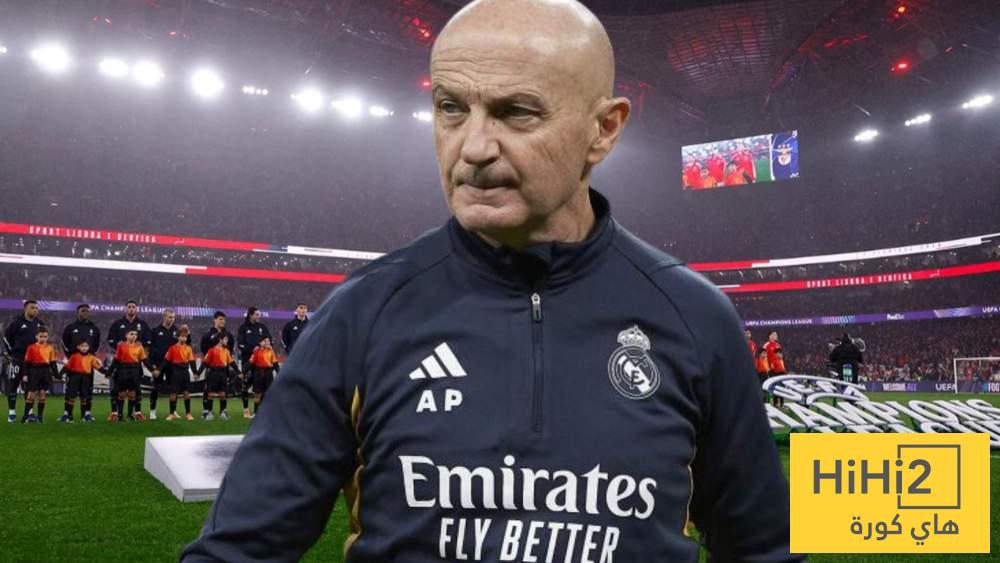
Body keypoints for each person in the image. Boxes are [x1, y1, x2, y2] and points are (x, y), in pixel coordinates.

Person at [184, 1, 797, 561]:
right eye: (451, 108)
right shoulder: (362, 313)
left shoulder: (696, 318)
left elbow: (763, 550)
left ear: (604, 129)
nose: (473, 147)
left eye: (516, 112)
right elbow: (235, 553)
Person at [106, 300, 152, 420]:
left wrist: (143, 346)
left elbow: (148, 339)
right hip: (120, 363)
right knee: (118, 390)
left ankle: (135, 413)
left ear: (136, 309)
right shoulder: (117, 323)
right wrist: (118, 345)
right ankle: (116, 413)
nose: (131, 309)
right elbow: (110, 339)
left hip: (135, 363)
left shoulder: (142, 324)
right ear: (125, 309)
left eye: (133, 307)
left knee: (135, 390)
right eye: (129, 307)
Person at [3, 300, 42, 423]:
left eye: (36, 308)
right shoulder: (16, 323)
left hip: (32, 363)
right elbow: (6, 339)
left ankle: (29, 413)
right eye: (32, 307)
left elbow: (43, 341)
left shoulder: (39, 324)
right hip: (18, 360)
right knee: (13, 385)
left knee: (30, 388)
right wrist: (12, 353)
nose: (35, 310)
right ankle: (12, 413)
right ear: (25, 309)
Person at [236, 307, 271, 418]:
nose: (258, 316)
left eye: (259, 314)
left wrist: (265, 347)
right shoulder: (243, 328)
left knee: (262, 388)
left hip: (260, 363)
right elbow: (240, 344)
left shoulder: (262, 327)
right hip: (248, 361)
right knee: (245, 385)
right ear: (250, 315)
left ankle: (259, 410)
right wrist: (252, 349)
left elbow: (269, 340)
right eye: (256, 314)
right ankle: (246, 409)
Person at [59, 339, 103, 423]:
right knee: (72, 397)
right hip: (75, 377)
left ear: (89, 347)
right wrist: (60, 374)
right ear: (78, 347)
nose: (84, 348)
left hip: (86, 378)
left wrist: (107, 373)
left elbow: (98, 367)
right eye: (82, 346)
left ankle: (83, 417)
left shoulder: (91, 357)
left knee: (84, 398)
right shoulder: (74, 356)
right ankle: (70, 416)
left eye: (86, 346)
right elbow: (67, 367)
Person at [21, 327, 58, 423]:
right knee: (31, 394)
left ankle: (40, 417)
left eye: (45, 337)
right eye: (41, 336)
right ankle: (25, 416)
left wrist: (57, 375)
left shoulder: (50, 348)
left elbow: (53, 363)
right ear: (36, 336)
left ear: (47, 337)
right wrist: (25, 374)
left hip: (45, 371)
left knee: (42, 394)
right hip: (34, 371)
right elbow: (26, 363)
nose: (43, 338)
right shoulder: (31, 347)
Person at [163, 326, 201, 421]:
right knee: (173, 393)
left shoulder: (188, 348)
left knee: (186, 393)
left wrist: (195, 373)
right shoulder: (172, 348)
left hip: (185, 372)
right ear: (178, 337)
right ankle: (171, 414)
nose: (184, 338)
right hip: (175, 372)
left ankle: (188, 413)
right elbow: (166, 361)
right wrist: (159, 370)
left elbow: (192, 362)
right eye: (182, 336)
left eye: (185, 337)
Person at [148, 309, 180, 420]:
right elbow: (151, 349)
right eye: (170, 317)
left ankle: (173, 411)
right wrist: (152, 365)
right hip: (158, 364)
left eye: (173, 317)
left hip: (172, 364)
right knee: (155, 388)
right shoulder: (155, 331)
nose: (172, 319)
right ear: (164, 317)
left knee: (174, 388)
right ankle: (152, 411)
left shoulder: (177, 331)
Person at [201, 334, 239, 421]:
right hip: (213, 373)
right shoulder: (212, 350)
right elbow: (205, 362)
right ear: (220, 340)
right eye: (225, 339)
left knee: (223, 394)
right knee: (210, 394)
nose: (227, 341)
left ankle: (222, 412)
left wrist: (238, 371)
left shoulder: (226, 351)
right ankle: (209, 412)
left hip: (223, 373)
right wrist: (198, 373)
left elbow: (232, 362)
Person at [247, 336, 280, 417]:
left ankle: (268, 413)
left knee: (269, 394)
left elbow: (275, 364)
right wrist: (244, 372)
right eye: (266, 341)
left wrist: (279, 373)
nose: (268, 343)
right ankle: (256, 413)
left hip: (268, 374)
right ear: (261, 342)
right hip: (258, 373)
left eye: (268, 341)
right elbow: (251, 363)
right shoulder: (256, 352)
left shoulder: (271, 352)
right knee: (257, 394)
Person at [764, 330, 786, 408]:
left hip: (780, 369)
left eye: (776, 334)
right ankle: (776, 403)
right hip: (772, 370)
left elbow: (781, 357)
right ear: (770, 336)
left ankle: (782, 404)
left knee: (782, 386)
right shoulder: (766, 345)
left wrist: (783, 367)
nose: (776, 336)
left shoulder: (778, 345)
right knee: (775, 387)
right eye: (774, 334)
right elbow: (764, 358)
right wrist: (768, 369)